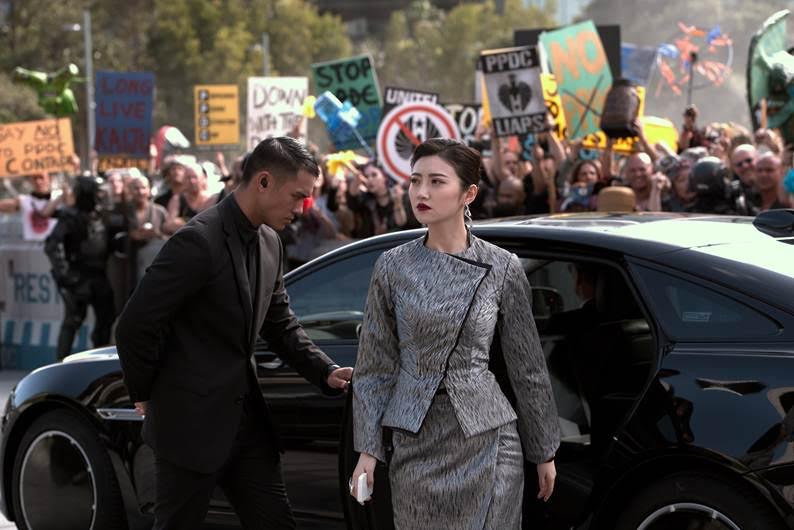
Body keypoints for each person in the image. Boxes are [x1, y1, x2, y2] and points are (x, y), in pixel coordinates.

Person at [115, 137, 353, 530]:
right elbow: (135, 324)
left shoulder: (271, 242)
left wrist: (324, 370)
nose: (301, 209)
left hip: (248, 428)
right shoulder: (198, 240)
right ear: (263, 182)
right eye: (297, 196)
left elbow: (280, 323)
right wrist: (145, 392)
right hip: (189, 427)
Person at [351, 138, 560, 529]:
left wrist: (543, 450)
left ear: (469, 194)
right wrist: (368, 450)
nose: (422, 192)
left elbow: (527, 367)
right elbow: (375, 367)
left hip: (489, 438)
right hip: (416, 440)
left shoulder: (502, 266)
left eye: (436, 181)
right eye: (415, 181)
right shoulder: (392, 267)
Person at [44, 176, 116, 360]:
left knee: (106, 319)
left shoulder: (103, 215)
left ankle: (99, 361)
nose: (101, 196)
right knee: (73, 320)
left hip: (99, 274)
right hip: (78, 275)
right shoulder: (70, 217)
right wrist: (66, 275)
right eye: (98, 193)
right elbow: (52, 246)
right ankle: (60, 363)